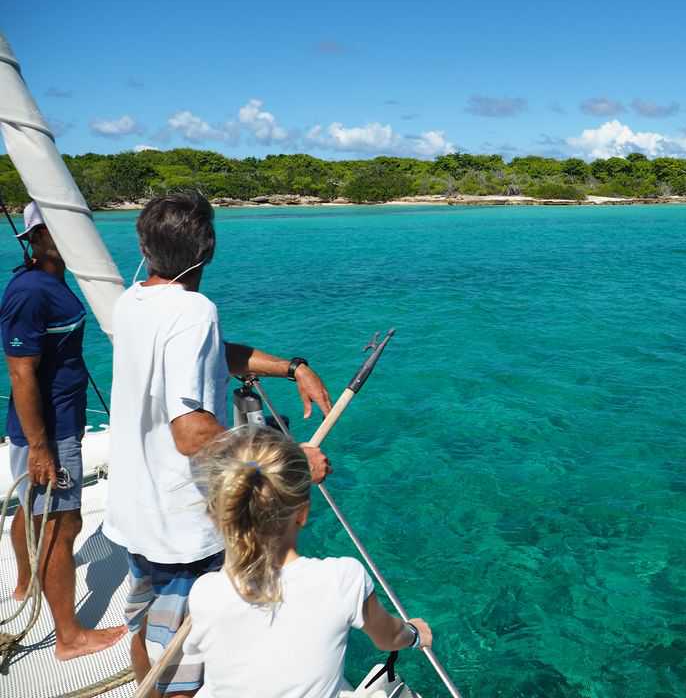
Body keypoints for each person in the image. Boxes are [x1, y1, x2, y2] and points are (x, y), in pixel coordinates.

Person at [102, 192, 333, 696]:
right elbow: (191, 433)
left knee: (147, 632)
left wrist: (291, 367)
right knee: (187, 657)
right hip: (183, 525)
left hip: (137, 513)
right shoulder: (195, 310)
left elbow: (210, 358)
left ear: (145, 244)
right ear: (208, 249)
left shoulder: (132, 301)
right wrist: (288, 462)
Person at [185, 425, 432, 697]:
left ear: (218, 517)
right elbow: (389, 638)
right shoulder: (342, 578)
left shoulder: (205, 594)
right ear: (302, 513)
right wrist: (415, 633)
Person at [0, 201, 127, 660]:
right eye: (52, 230)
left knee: (36, 513)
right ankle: (69, 637)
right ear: (34, 238)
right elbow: (20, 373)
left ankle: (24, 582)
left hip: (59, 423)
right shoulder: (31, 291)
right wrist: (39, 446)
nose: (65, 237)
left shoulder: (50, 283)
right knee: (62, 525)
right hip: (50, 430)